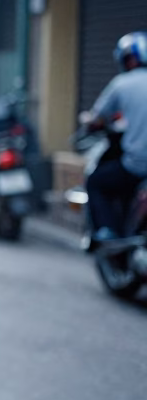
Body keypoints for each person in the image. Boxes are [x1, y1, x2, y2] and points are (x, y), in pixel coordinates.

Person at [83, 31, 147, 243]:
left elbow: (97, 118)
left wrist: (90, 123)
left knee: (95, 182)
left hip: (137, 165)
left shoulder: (122, 84)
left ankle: (108, 231)